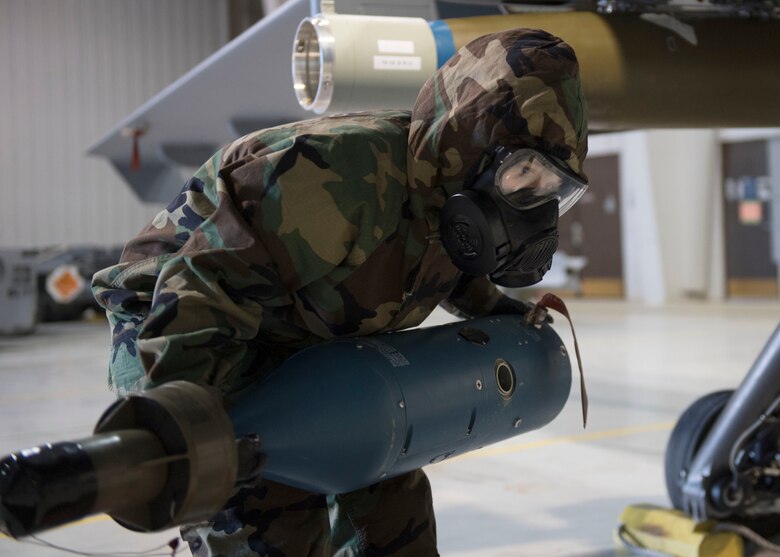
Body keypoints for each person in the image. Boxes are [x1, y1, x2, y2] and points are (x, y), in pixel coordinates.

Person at [92, 27, 588, 557]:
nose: (534, 204)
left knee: (395, 507)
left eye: (552, 190)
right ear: (471, 141)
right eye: (525, 174)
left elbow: (443, 265)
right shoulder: (339, 179)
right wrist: (190, 433)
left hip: (299, 325)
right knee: (272, 514)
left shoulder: (447, 200)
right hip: (180, 323)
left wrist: (496, 310)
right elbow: (201, 287)